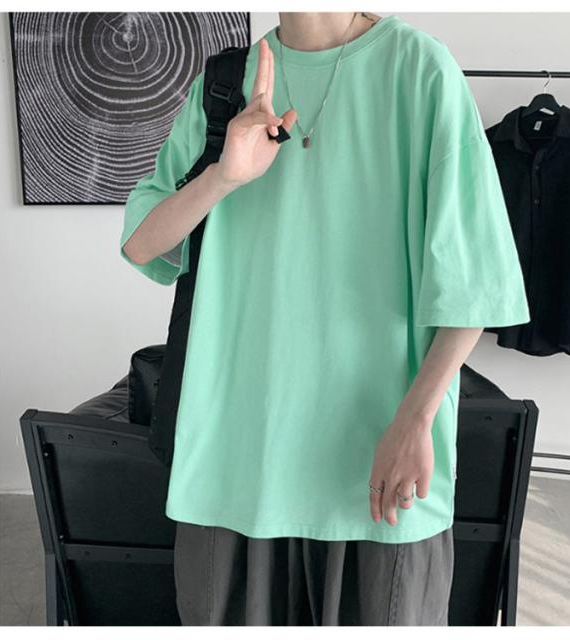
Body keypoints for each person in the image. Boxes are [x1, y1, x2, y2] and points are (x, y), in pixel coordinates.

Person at [120, 12, 530, 626]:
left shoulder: (419, 69)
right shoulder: (226, 83)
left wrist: (416, 420)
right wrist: (222, 177)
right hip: (235, 468)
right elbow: (141, 246)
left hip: (375, 465)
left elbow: (475, 281)